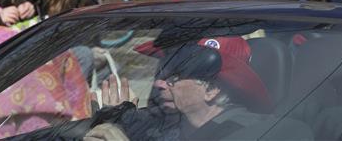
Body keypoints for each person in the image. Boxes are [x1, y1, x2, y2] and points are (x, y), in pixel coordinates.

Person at [92, 37, 310, 139]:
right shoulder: (168, 123)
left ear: (212, 89)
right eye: (161, 72)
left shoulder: (258, 134)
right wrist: (116, 120)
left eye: (174, 76)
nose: (158, 83)